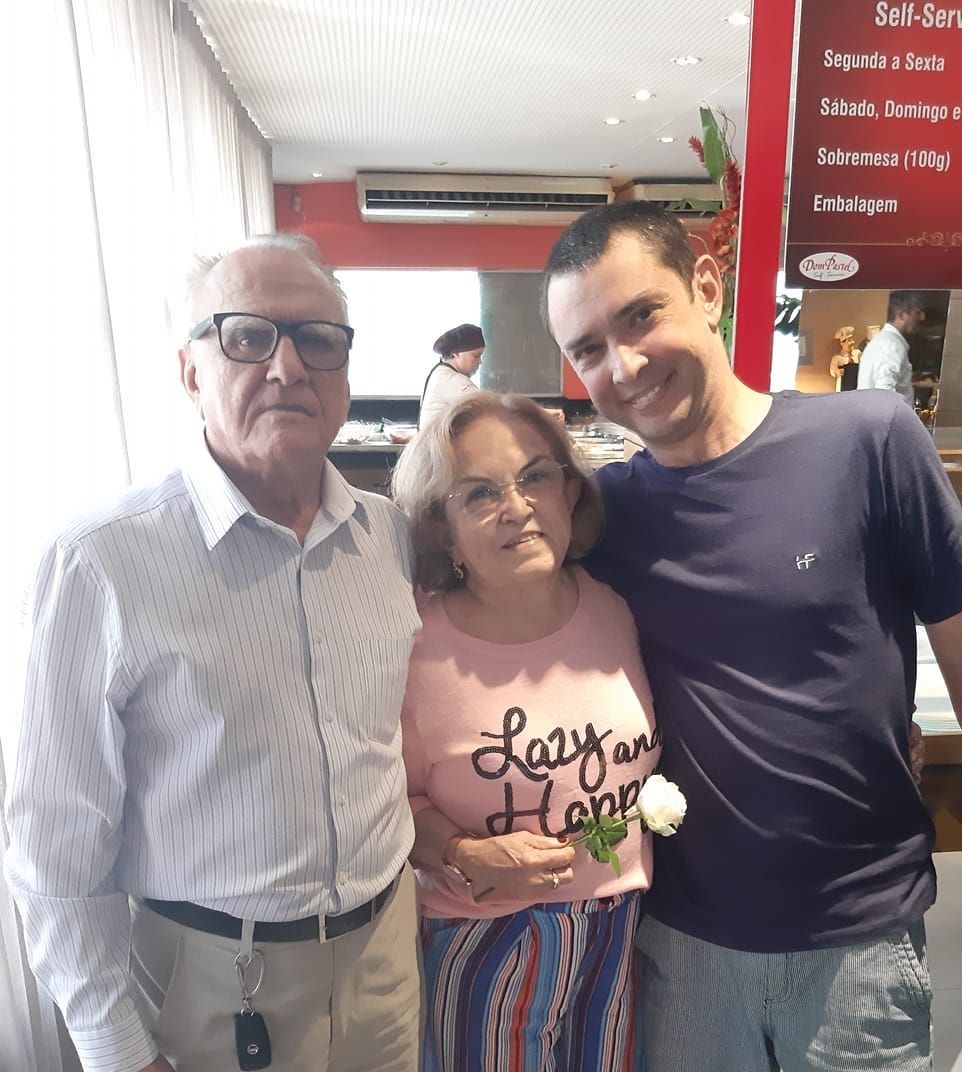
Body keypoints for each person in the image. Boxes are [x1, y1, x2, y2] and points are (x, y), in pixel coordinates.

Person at [541, 202, 962, 1072]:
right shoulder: (610, 515)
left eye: (640, 316)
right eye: (588, 348)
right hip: (680, 940)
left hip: (859, 940)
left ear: (707, 288)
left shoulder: (868, 439)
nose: (624, 365)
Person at [5, 234, 423, 1072]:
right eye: (247, 337)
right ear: (191, 372)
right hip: (215, 986)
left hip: (384, 963)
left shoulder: (387, 536)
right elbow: (54, 845)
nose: (286, 367)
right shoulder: (101, 562)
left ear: (345, 374)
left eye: (317, 340)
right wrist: (115, 1049)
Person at [391, 390, 660, 1072]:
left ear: (569, 491)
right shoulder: (414, 646)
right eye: (480, 492)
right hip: (486, 937)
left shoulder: (618, 611)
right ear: (442, 529)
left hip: (618, 928)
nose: (517, 507)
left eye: (535, 476)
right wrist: (465, 853)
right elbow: (388, 803)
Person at [857, 290, 928, 404]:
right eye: (917, 313)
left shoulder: (884, 340)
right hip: (883, 415)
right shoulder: (892, 345)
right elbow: (884, 391)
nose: (922, 318)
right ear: (901, 315)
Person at [419, 322, 485, 427]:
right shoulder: (452, 379)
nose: (480, 361)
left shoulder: (439, 372)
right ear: (456, 354)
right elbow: (488, 408)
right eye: (476, 356)